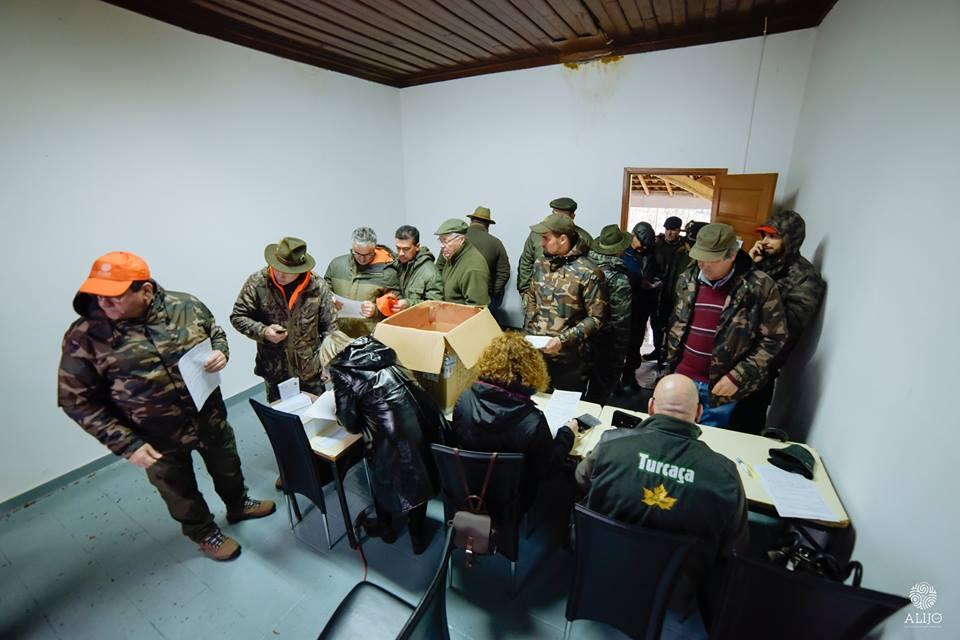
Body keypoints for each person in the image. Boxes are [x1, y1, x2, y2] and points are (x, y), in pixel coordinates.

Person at [58, 252, 275, 562]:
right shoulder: (85, 336)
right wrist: (127, 444)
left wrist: (221, 351)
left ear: (146, 290)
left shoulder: (185, 305)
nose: (103, 303)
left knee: (227, 465)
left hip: (208, 416)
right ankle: (204, 532)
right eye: (98, 295)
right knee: (178, 489)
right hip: (154, 435)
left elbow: (215, 331)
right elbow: (76, 400)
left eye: (114, 297)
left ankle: (239, 504)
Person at [575, 374, 748, 640]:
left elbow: (580, 479)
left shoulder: (611, 444)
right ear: (699, 413)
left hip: (603, 567)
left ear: (651, 407)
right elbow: (734, 548)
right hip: (677, 589)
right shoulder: (725, 477)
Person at [327, 335, 450, 554]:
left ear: (330, 357)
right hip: (423, 416)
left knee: (382, 473)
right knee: (419, 473)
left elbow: (350, 423)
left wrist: (342, 414)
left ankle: (386, 529)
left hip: (392, 431)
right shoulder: (381, 349)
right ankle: (417, 535)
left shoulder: (340, 370)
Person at [663, 223, 788, 427]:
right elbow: (676, 323)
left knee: (709, 439)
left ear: (732, 255)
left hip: (721, 387)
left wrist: (737, 376)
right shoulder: (687, 278)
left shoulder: (759, 286)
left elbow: (774, 339)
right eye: (699, 257)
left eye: (711, 259)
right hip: (682, 378)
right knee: (671, 433)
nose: (702, 264)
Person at [452, 332, 577, 510]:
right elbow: (548, 468)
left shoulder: (464, 400)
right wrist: (567, 433)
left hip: (468, 488)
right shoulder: (533, 421)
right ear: (532, 370)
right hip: (512, 500)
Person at [732, 209, 826, 432]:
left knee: (744, 428)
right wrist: (749, 265)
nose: (765, 241)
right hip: (730, 356)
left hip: (760, 368)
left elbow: (788, 327)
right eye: (764, 235)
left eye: (773, 236)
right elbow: (732, 298)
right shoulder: (761, 263)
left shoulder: (805, 277)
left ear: (791, 239)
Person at [230, 236, 337, 402]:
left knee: (315, 415)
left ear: (300, 269)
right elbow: (238, 316)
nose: (280, 274)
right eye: (277, 267)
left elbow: (330, 327)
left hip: (310, 369)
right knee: (281, 415)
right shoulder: (258, 283)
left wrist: (328, 363)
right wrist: (264, 331)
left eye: (287, 271)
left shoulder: (317, 286)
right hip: (275, 369)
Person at [523, 212, 608, 393]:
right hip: (537, 355)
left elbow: (597, 318)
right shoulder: (540, 264)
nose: (541, 243)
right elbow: (531, 296)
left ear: (562, 239)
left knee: (563, 406)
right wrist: (530, 327)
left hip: (570, 360)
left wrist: (562, 340)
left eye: (546, 238)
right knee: (534, 402)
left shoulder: (589, 272)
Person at [585, 224, 633, 404]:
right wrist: (621, 353)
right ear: (620, 250)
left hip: (581, 335)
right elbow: (621, 321)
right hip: (606, 341)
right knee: (600, 389)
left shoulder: (584, 267)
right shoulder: (619, 279)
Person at [324, 227, 398, 337]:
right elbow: (324, 291)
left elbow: (396, 306)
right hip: (339, 335)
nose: (362, 259)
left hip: (370, 337)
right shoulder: (336, 265)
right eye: (357, 253)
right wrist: (330, 300)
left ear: (374, 249)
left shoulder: (387, 272)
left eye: (368, 254)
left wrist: (376, 310)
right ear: (352, 248)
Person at [517, 197, 594, 296]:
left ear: (573, 216)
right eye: (555, 214)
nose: (557, 219)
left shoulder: (584, 238)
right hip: (539, 294)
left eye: (563, 216)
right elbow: (526, 263)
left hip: (570, 297)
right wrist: (526, 293)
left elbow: (591, 272)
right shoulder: (537, 234)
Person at [621, 221, 659, 390]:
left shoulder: (652, 253)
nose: (642, 248)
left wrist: (654, 283)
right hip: (623, 305)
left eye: (646, 246)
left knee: (635, 342)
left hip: (642, 305)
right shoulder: (622, 251)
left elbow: (658, 272)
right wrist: (637, 282)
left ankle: (629, 375)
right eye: (641, 243)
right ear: (633, 235)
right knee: (620, 343)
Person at [646, 216, 689, 363]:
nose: (670, 233)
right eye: (667, 229)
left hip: (674, 292)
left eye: (674, 230)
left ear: (679, 231)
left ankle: (668, 354)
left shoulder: (684, 248)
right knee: (655, 323)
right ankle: (657, 350)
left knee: (672, 326)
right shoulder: (657, 245)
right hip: (656, 291)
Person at [434, 218, 491, 306]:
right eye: (440, 241)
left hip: (459, 315)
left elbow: (477, 308)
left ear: (461, 240)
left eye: (445, 241)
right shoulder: (453, 256)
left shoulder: (473, 268)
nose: (441, 246)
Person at [465, 206, 511, 315]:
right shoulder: (496, 243)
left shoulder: (456, 239)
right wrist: (493, 293)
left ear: (471, 221)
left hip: (454, 298)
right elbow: (504, 272)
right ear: (488, 225)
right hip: (483, 297)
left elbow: (440, 267)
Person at [389, 224, 443, 312]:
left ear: (417, 247)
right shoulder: (395, 265)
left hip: (418, 319)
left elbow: (435, 306)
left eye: (406, 249)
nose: (401, 253)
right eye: (398, 248)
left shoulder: (430, 272)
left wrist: (408, 304)